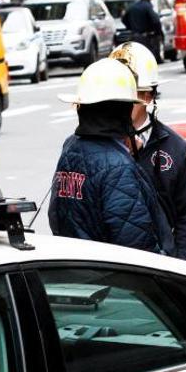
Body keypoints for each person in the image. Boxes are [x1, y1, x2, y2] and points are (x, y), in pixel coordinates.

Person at [49, 58, 173, 254]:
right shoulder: (117, 166)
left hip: (76, 269)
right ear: (121, 110)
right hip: (110, 278)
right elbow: (137, 247)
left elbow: (56, 215)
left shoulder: (71, 147)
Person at [111, 42, 186, 262]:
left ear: (147, 96)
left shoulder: (174, 147)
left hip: (160, 263)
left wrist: (182, 264)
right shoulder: (94, 146)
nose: (119, 103)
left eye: (128, 95)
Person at [123, 0, 164, 64]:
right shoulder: (147, 6)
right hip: (147, 39)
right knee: (149, 61)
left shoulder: (132, 6)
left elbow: (124, 19)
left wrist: (131, 27)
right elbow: (156, 21)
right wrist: (158, 33)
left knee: (137, 61)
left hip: (134, 38)